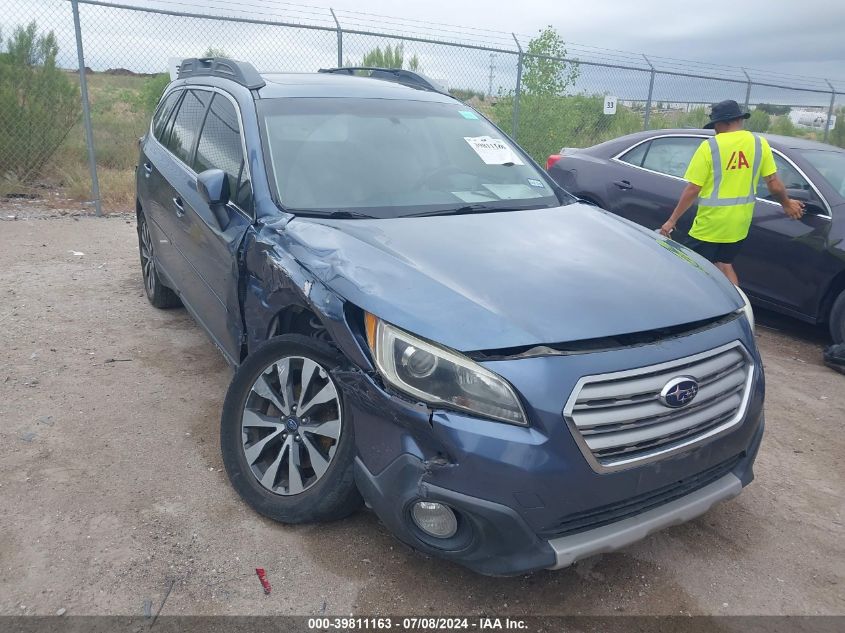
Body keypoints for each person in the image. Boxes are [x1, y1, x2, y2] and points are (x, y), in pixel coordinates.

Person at [659, 99, 805, 284]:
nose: (714, 129)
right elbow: (774, 184)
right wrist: (787, 203)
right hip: (739, 225)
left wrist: (672, 220)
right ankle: (738, 308)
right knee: (724, 264)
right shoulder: (759, 144)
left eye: (715, 125)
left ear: (722, 123)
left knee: (689, 269)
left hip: (711, 224)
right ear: (739, 120)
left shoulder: (710, 147)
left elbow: (693, 188)